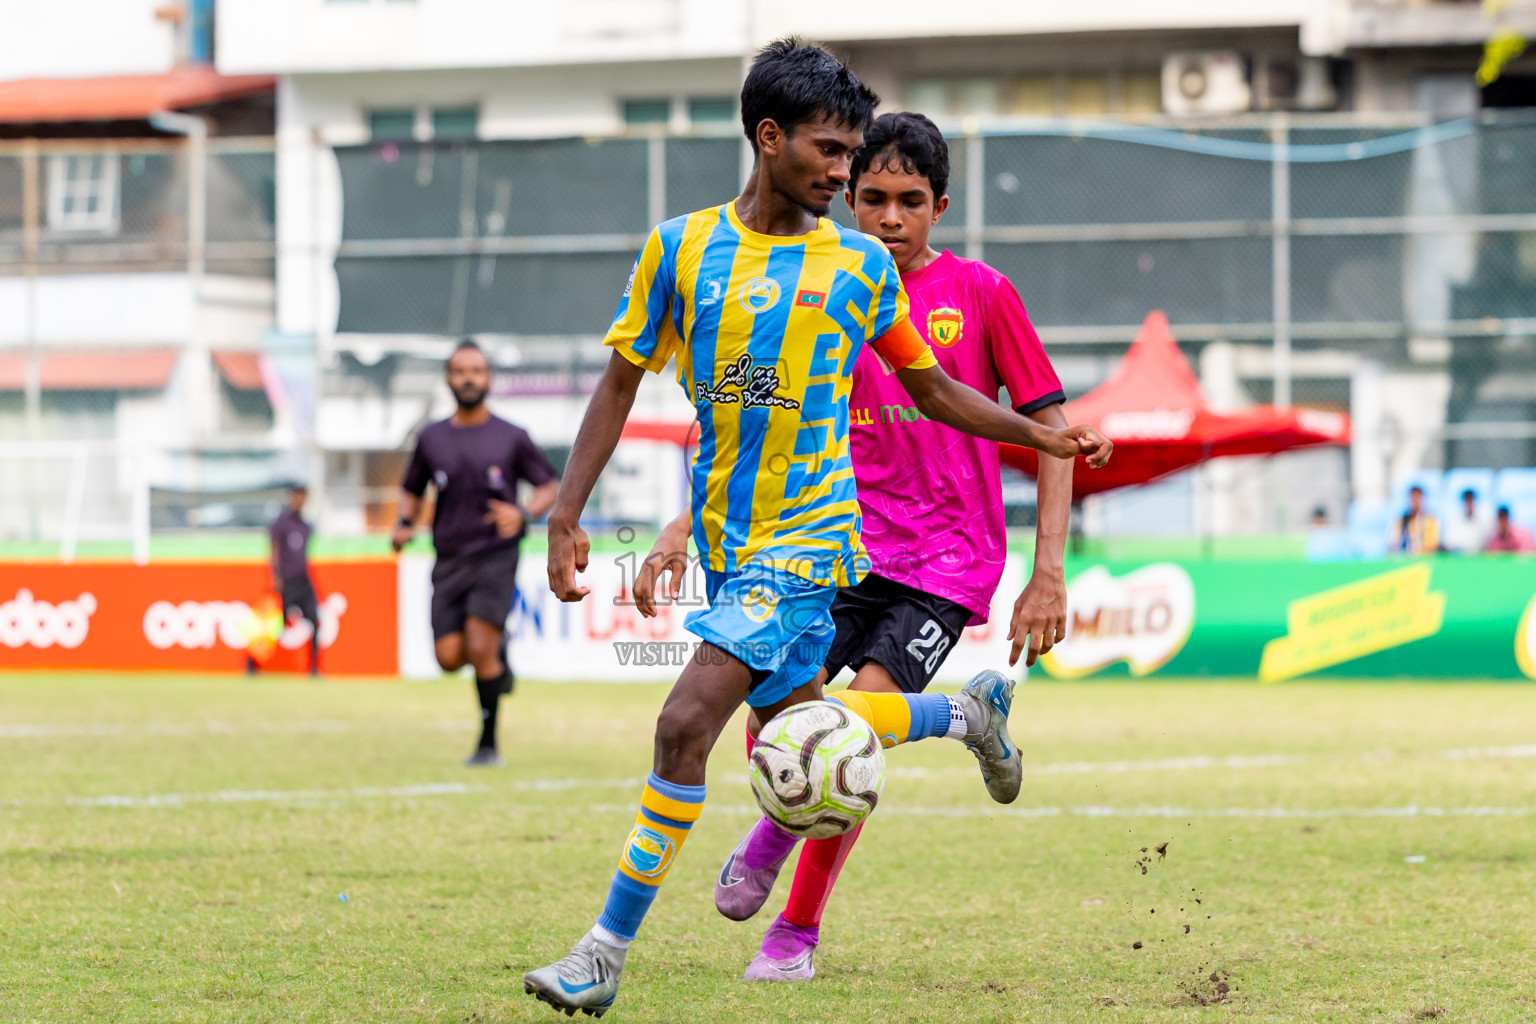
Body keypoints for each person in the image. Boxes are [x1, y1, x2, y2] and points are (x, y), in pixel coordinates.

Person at [522, 40, 1110, 1016]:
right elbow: (622, 379)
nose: (846, 173)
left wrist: (1044, 434)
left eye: (856, 157)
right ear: (769, 139)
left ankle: (602, 951)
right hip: (728, 548)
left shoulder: (855, 269)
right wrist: (567, 513)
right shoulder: (679, 249)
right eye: (832, 153)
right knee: (804, 732)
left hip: (814, 545)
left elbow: (933, 390)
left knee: (681, 726)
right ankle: (965, 714)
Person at [636, 111, 1076, 982]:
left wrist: (1048, 571)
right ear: (845, 194)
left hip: (948, 556)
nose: (888, 217)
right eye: (870, 196)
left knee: (848, 729)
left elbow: (1050, 428)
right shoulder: (812, 280)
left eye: (910, 201)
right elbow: (735, 412)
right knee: (795, 720)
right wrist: (682, 524)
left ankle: (793, 928)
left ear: (940, 206)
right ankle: (968, 716)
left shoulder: (984, 292)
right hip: (828, 543)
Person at [392, 340, 560, 767]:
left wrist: (524, 514)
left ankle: (488, 745)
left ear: (489, 378)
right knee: (449, 658)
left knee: (479, 648)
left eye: (477, 371)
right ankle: (499, 656)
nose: (469, 378)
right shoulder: (431, 438)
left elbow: (549, 486)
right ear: (448, 379)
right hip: (448, 557)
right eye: (460, 371)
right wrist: (404, 524)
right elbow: (412, 489)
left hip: (495, 555)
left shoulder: (511, 436)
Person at [253, 481, 321, 676]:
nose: (300, 499)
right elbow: (274, 549)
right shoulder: (281, 523)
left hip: (303, 579)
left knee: (314, 621)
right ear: (292, 497)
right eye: (297, 495)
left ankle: (314, 667)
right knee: (273, 625)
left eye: (303, 496)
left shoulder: (306, 526)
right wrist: (275, 575)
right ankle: (252, 663)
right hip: (286, 580)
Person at [1441, 488, 1492, 553]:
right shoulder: (1456, 522)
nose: (1469, 503)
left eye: (1471, 500)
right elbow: (1449, 543)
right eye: (1467, 500)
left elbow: (1487, 542)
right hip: (1460, 559)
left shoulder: (1484, 521)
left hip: (1478, 558)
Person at [1394, 485, 1440, 554]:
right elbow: (1393, 544)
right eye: (1413, 498)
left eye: (1418, 498)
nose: (1415, 501)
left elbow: (1434, 545)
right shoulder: (1402, 521)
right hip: (1406, 558)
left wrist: (1418, 551)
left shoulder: (1430, 521)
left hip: (1425, 560)